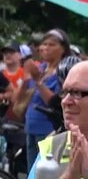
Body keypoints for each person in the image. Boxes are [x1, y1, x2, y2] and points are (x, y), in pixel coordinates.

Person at [21, 29, 70, 162]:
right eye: (44, 44)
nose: (45, 48)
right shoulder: (40, 68)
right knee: (32, 172)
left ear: (63, 49)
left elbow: (54, 102)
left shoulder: (63, 71)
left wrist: (38, 81)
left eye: (51, 45)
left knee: (45, 170)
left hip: (47, 129)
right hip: (30, 126)